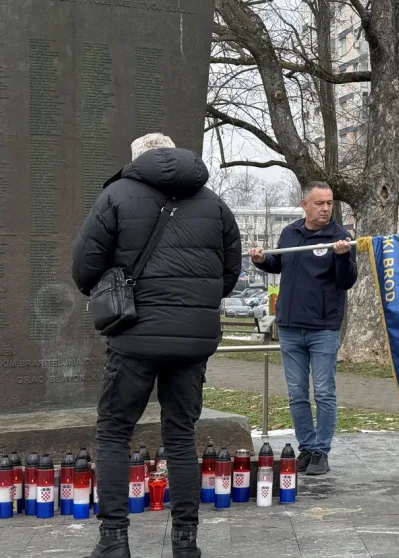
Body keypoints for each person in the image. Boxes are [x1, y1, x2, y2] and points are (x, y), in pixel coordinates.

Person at [72, 133, 241, 558]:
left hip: (133, 337)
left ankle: (114, 540)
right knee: (181, 436)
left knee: (113, 432)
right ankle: (186, 542)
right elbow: (229, 274)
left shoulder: (116, 196)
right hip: (192, 342)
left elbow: (84, 267)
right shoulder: (215, 205)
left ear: (137, 162)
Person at [248, 181, 357, 476]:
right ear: (304, 205)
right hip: (289, 325)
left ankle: (322, 450)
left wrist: (343, 256)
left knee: (323, 391)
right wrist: (261, 260)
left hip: (323, 327)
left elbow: (347, 281)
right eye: (319, 203)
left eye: (329, 203)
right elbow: (277, 264)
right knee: (297, 393)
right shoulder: (290, 233)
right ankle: (306, 448)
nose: (325, 209)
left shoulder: (340, 237)